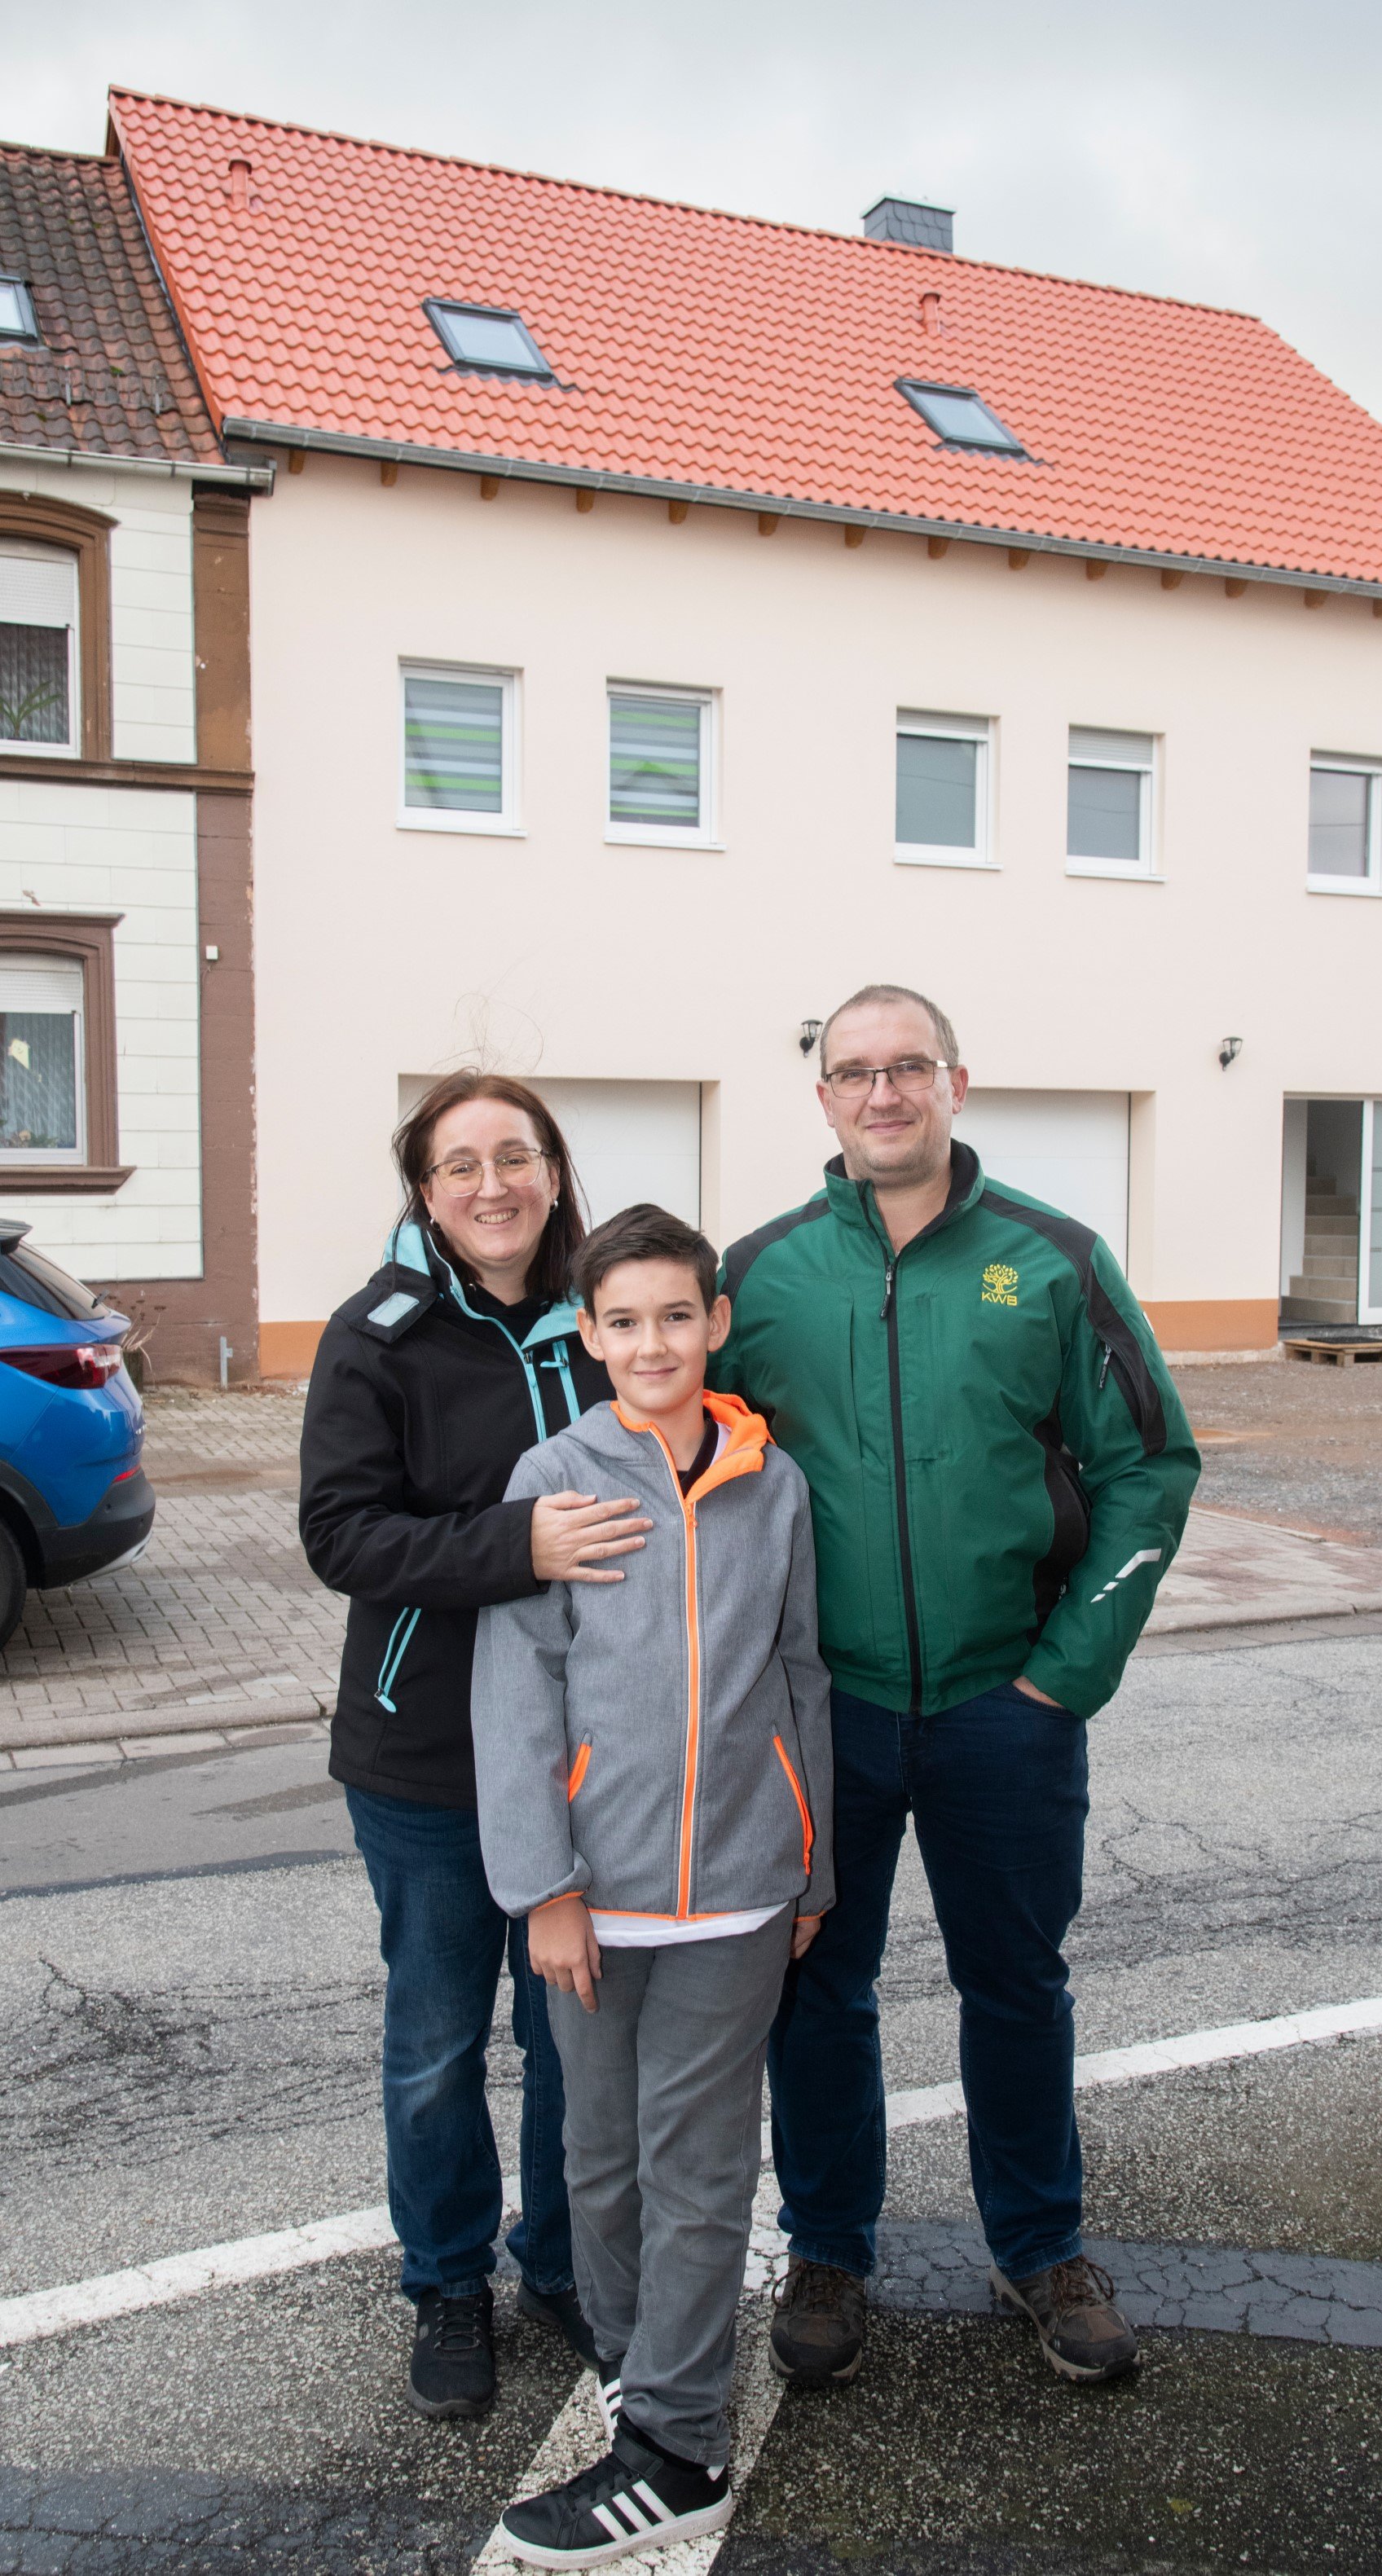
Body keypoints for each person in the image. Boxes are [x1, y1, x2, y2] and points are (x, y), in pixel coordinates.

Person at [711, 984, 1201, 2390]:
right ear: (824, 1098)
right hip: (829, 1713)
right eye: (855, 1071)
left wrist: (1066, 1673)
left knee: (1018, 1984)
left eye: (907, 1066)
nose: (883, 1092)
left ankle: (1039, 2246)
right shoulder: (762, 1276)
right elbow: (685, 1459)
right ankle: (828, 2249)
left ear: (955, 1083)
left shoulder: (1055, 1259)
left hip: (1006, 1706)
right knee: (818, 1988)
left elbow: (1148, 1466)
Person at [471, 1203, 833, 2567]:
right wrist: (544, 1887)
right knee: (599, 2156)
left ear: (715, 1321)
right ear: (588, 1332)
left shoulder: (771, 1481)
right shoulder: (554, 1476)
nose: (653, 1342)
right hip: (596, 1891)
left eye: (677, 1314)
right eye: (623, 1320)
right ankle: (639, 2373)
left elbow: (799, 1675)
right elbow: (517, 1690)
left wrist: (812, 1864)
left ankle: (680, 2450)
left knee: (697, 2162)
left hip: (740, 1889)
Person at [300, 1072, 655, 2420]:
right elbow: (342, 1533)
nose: (493, 1184)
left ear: (554, 1173)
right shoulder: (375, 1336)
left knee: (575, 2036)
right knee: (439, 2043)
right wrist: (517, 1543)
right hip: (429, 1762)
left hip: (591, 1755)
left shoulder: (609, 1319)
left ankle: (559, 2260)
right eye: (462, 1164)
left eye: (517, 1155)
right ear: (427, 1190)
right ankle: (447, 2278)